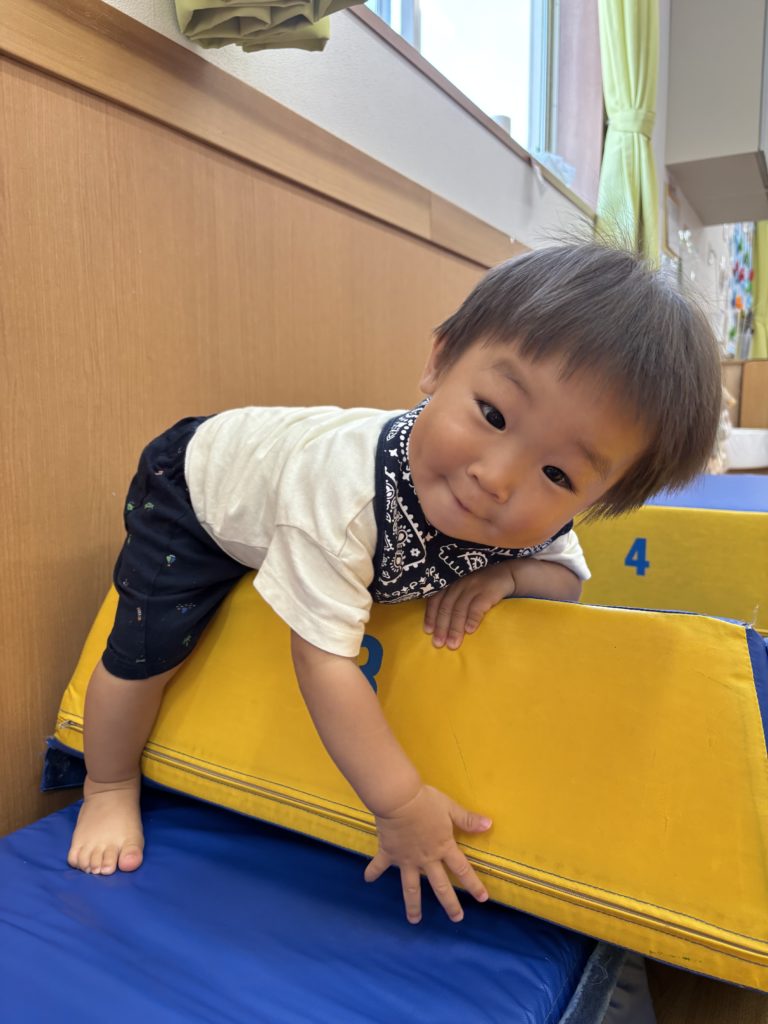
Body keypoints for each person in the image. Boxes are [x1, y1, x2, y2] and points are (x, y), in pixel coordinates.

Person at [67, 242, 722, 927]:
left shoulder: (531, 521)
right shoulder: (345, 494)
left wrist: (507, 574)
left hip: (291, 507)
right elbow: (322, 661)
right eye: (493, 415)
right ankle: (106, 783)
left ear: (596, 499)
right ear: (439, 362)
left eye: (559, 475)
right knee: (147, 650)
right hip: (198, 489)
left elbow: (567, 582)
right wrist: (401, 804)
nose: (497, 479)